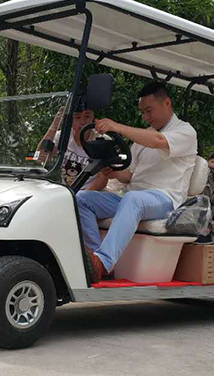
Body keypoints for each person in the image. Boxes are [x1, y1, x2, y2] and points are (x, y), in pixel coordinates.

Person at [76, 81, 198, 282]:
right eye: (142, 112)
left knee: (133, 199)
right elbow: (130, 175)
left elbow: (159, 141)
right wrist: (112, 171)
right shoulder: (144, 136)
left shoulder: (185, 131)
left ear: (167, 103)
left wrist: (117, 127)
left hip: (164, 199)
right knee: (82, 199)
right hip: (132, 198)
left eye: (149, 110)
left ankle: (103, 262)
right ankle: (92, 259)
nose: (146, 117)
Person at [35, 104, 95, 187]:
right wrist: (56, 123)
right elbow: (40, 158)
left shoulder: (101, 141)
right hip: (67, 192)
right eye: (77, 117)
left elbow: (102, 179)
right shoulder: (62, 136)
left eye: (87, 116)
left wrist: (76, 197)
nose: (82, 122)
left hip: (89, 194)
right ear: (71, 119)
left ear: (93, 117)